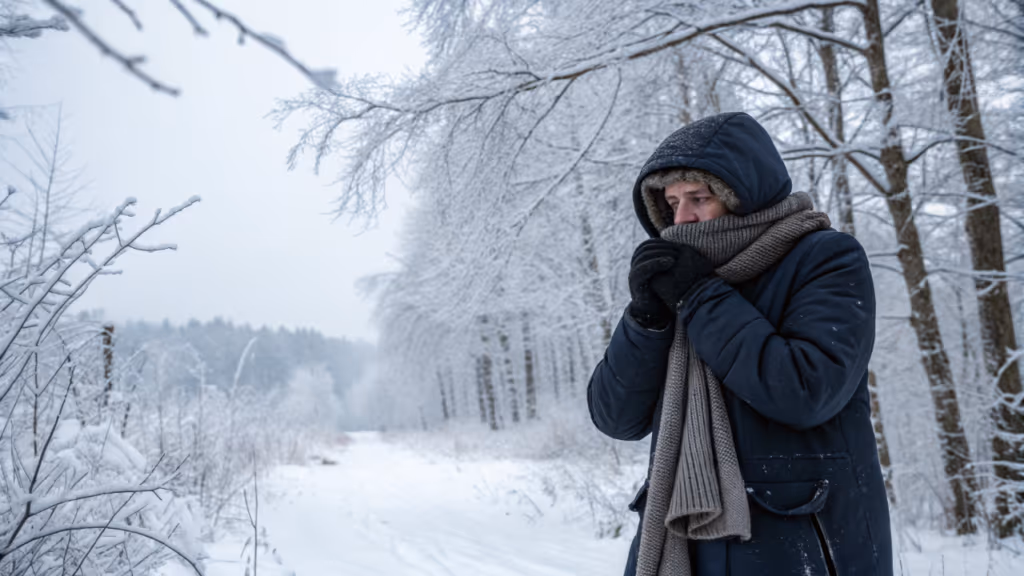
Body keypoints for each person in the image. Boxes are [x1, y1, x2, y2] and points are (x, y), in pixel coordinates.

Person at [587, 112, 892, 576]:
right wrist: (646, 320)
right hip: (682, 547)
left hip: (797, 543)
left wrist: (699, 297)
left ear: (743, 196)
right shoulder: (679, 281)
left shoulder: (825, 257)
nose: (682, 218)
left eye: (699, 198)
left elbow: (808, 388)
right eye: (671, 203)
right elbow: (616, 417)